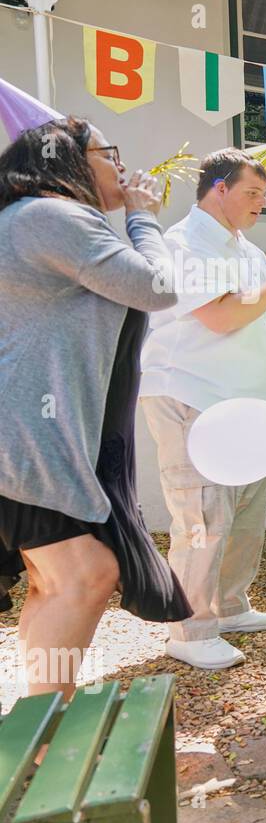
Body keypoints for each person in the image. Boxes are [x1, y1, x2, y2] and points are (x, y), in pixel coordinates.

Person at [0, 117, 188, 698]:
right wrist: (142, 216)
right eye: (111, 153)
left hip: (37, 432)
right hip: (31, 434)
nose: (123, 167)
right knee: (86, 575)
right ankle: (44, 728)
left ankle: (42, 713)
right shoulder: (53, 216)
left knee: (53, 582)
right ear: (72, 162)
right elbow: (158, 285)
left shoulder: (28, 219)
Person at [139, 149, 266, 670]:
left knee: (244, 514)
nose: (261, 203)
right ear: (218, 188)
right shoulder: (185, 244)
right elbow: (219, 318)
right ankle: (189, 631)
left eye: (264, 194)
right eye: (252, 193)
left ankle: (231, 606)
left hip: (246, 402)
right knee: (202, 515)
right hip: (195, 395)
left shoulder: (246, 248)